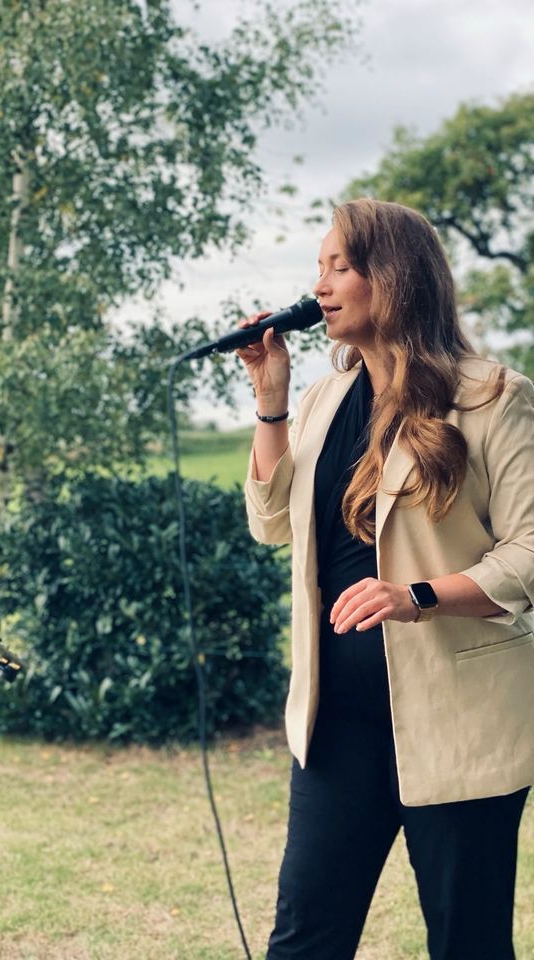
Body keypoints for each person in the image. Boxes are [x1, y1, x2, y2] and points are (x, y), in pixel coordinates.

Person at [236, 198, 534, 960]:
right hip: (337, 727)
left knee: (467, 945)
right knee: (304, 941)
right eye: (319, 268)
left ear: (394, 279)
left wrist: (417, 597)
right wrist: (271, 402)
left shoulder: (494, 397)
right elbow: (271, 521)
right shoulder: (323, 399)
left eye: (341, 265)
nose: (322, 285)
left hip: (458, 725)